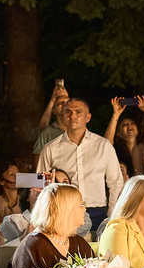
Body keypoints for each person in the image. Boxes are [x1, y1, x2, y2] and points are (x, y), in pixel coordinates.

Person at [39, 98, 128, 231]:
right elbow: (40, 184)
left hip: (98, 211)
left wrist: (112, 214)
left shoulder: (103, 145)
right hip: (64, 212)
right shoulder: (50, 149)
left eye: (78, 112)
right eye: (68, 112)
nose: (72, 116)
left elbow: (115, 182)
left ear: (88, 117)